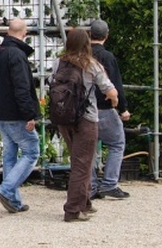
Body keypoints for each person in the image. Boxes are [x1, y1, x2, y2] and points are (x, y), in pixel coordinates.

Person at [54, 27, 118, 222]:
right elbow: (110, 90)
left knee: (78, 160)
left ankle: (85, 202)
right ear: (87, 42)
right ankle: (72, 210)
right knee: (83, 164)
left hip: (63, 117)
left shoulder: (59, 62)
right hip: (86, 118)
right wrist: (113, 101)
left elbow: (51, 82)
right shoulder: (91, 64)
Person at [0, 18, 40, 214]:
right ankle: (6, 190)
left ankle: (13, 200)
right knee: (32, 151)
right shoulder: (17, 56)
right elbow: (22, 88)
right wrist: (29, 114)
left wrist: (0, 98)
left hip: (1, 113)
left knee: (10, 154)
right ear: (24, 33)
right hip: (17, 114)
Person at [88, 19, 131, 199]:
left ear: (89, 35)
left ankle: (90, 186)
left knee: (88, 148)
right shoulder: (107, 57)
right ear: (107, 36)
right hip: (104, 107)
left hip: (82, 109)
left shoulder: (80, 55)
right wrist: (123, 109)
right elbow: (115, 85)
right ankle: (109, 183)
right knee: (117, 143)